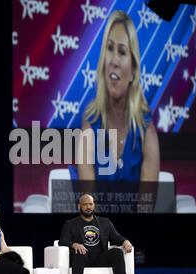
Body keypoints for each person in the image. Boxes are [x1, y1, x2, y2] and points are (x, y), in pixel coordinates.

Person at [72, 10, 159, 183]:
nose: (114, 61)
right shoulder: (89, 129)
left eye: (122, 52)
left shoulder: (147, 135)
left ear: (133, 71)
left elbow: (146, 208)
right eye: (110, 48)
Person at [59, 194, 132, 274]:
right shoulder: (70, 224)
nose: (88, 207)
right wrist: (74, 244)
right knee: (78, 255)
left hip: (100, 258)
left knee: (117, 252)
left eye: (90, 204)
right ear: (79, 206)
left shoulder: (105, 222)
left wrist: (125, 241)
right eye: (85, 204)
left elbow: (116, 237)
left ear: (94, 205)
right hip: (83, 258)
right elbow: (62, 241)